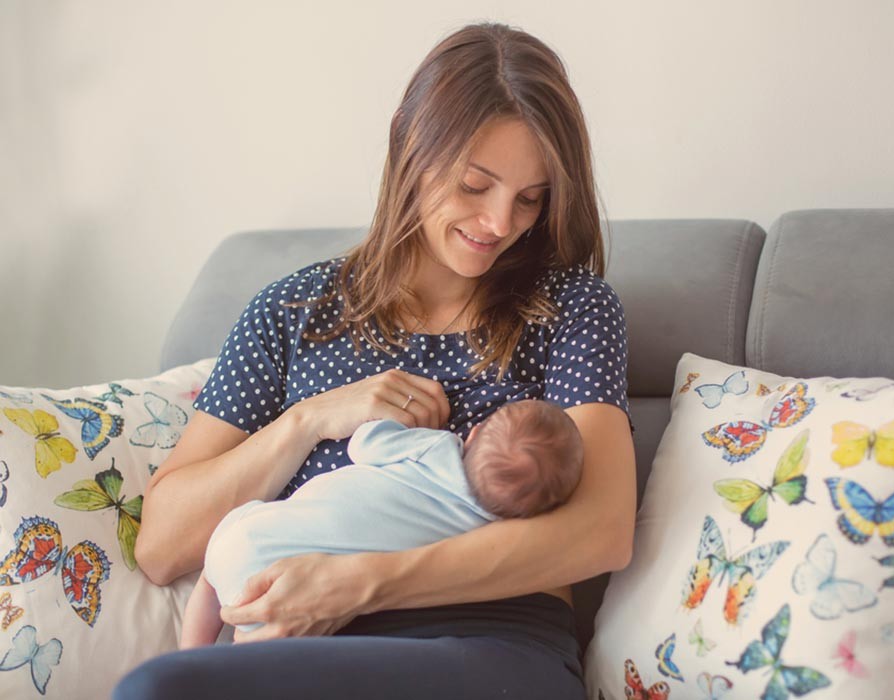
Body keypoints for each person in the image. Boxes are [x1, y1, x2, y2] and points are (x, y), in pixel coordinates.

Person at [116, 21, 636, 700]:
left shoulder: (571, 308)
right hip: (301, 650)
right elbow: (163, 546)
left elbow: (600, 533)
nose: (500, 223)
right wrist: (307, 421)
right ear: (410, 146)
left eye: (530, 198)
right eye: (475, 186)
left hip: (492, 641)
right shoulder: (292, 312)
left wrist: (359, 580)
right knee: (159, 688)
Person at [180, 399, 584, 648]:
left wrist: (411, 427)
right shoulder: (481, 535)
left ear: (474, 433)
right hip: (287, 591)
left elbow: (365, 443)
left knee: (211, 581)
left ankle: (190, 655)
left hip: (249, 535)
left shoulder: (436, 447)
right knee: (256, 648)